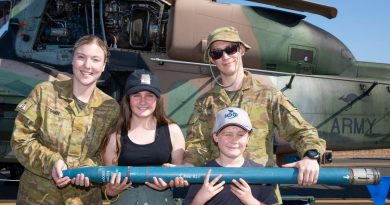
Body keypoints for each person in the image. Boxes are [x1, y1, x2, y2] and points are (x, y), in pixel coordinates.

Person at [184, 26, 326, 191]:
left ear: (241, 50)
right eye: (217, 53)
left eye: (230, 49)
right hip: (218, 192)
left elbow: (301, 131)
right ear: (211, 59)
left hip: (260, 191)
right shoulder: (205, 102)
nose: (225, 56)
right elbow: (197, 144)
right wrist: (187, 166)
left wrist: (310, 156)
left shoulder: (267, 95)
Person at [11, 35, 120, 204]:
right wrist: (52, 162)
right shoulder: (45, 93)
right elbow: (20, 140)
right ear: (73, 60)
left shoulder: (110, 108)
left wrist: (89, 170)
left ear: (104, 65)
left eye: (95, 59)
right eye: (81, 57)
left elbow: (106, 155)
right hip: (37, 198)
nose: (87, 65)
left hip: (82, 200)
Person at [100, 69, 186, 205]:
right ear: (128, 99)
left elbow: (179, 176)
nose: (143, 101)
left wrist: (169, 182)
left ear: (157, 99)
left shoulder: (172, 131)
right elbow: (105, 183)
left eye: (149, 95)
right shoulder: (115, 136)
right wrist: (110, 191)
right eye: (136, 95)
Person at [183, 107, 279, 205]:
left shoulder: (260, 173)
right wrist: (200, 199)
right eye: (227, 134)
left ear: (248, 138)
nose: (234, 140)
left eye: (240, 135)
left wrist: (250, 200)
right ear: (215, 136)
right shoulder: (204, 174)